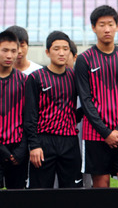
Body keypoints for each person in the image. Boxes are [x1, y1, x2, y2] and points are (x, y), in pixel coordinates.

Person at [75, 5, 118, 188]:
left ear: (117, 26)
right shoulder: (84, 59)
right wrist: (105, 132)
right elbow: (85, 99)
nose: (106, 29)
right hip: (95, 134)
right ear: (93, 28)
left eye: (110, 24)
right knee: (101, 188)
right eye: (102, 25)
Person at [24, 31, 82, 189]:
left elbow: (85, 104)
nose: (61, 53)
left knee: (72, 192)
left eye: (65, 49)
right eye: (56, 49)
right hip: (44, 142)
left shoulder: (75, 77)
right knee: (40, 192)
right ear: (48, 52)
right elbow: (30, 115)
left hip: (70, 141)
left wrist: (75, 117)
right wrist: (34, 145)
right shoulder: (35, 78)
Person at [0, 30, 28, 189]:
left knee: (17, 198)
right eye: (4, 50)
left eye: (13, 51)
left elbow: (29, 117)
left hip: (17, 150)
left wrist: (22, 149)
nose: (9, 55)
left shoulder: (24, 80)